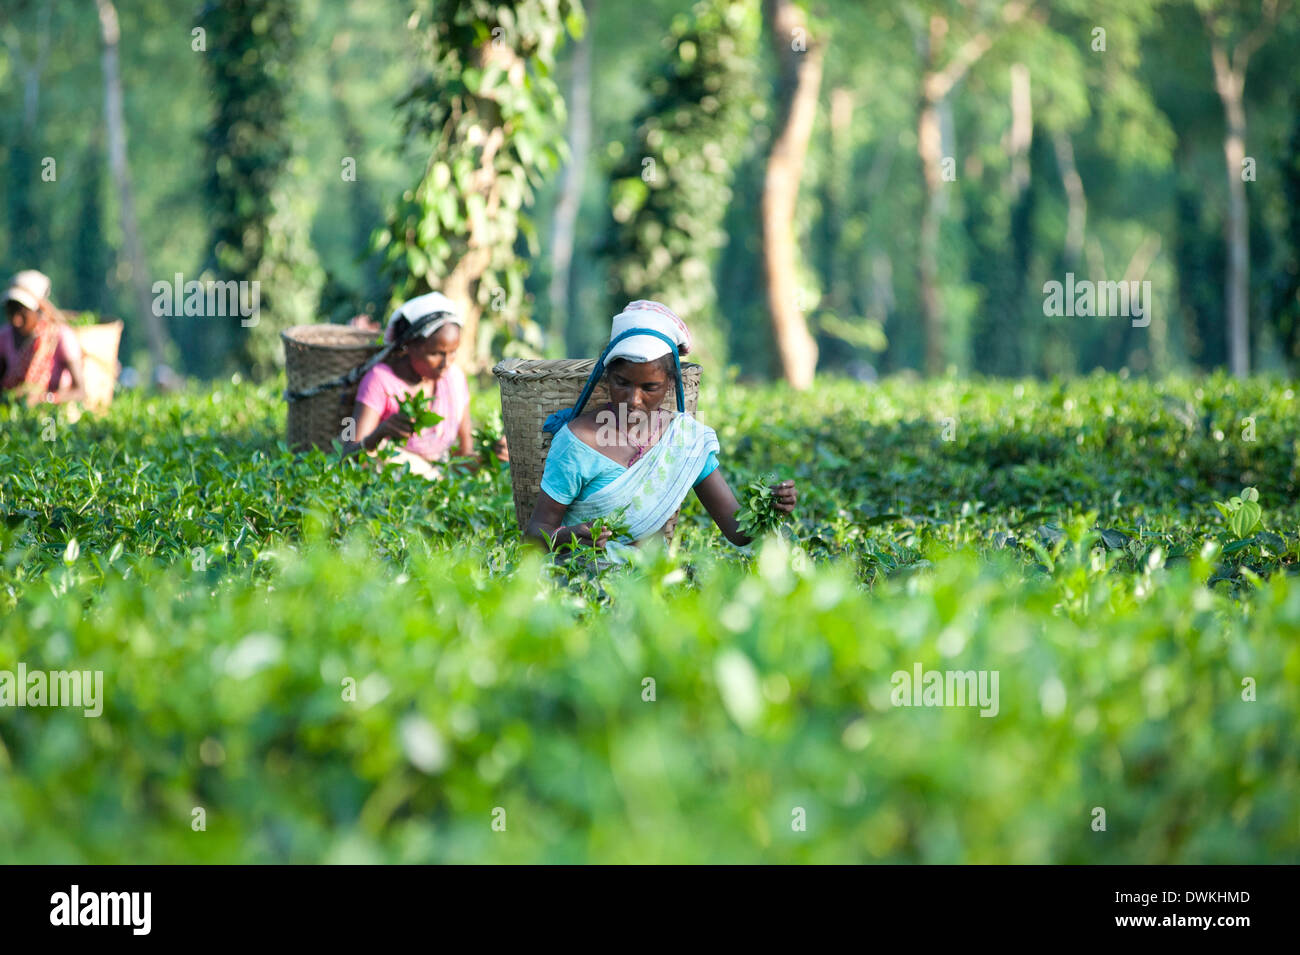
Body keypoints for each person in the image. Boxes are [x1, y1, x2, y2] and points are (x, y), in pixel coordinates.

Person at [525, 300, 797, 559]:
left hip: (652, 582)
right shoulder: (577, 442)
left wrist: (768, 509)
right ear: (606, 375)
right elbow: (534, 534)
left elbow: (738, 532)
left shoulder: (684, 439)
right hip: (581, 582)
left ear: (670, 383)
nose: (633, 399)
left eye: (649, 387)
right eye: (622, 382)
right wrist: (567, 536)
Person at [340, 291, 507, 477]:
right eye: (435, 353)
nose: (446, 363)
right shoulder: (379, 381)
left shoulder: (454, 379)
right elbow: (348, 459)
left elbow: (462, 459)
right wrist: (380, 433)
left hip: (438, 485)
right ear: (409, 346)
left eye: (452, 352)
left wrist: (489, 455)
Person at [1, 270, 87, 406]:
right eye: (11, 312)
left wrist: (45, 399)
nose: (16, 320)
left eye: (22, 313)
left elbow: (80, 392)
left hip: (53, 419)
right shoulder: (4, 337)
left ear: (39, 310)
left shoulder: (60, 337)